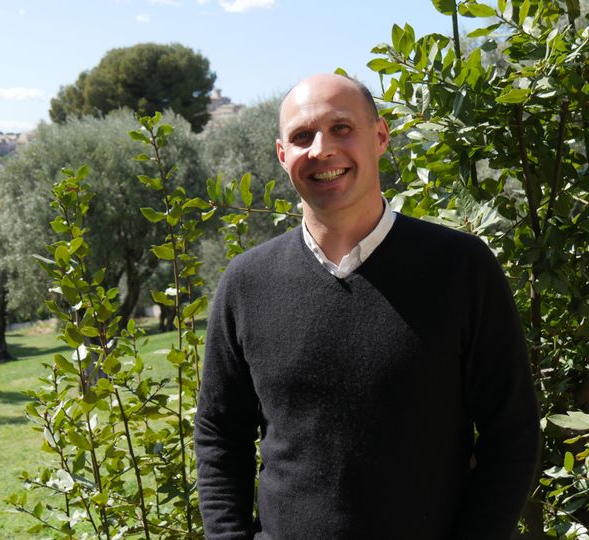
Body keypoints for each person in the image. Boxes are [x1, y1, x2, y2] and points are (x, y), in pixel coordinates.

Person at [194, 73, 541, 539]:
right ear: (283, 156)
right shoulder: (246, 283)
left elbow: (512, 434)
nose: (321, 150)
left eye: (341, 128)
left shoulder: (460, 268)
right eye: (302, 136)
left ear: (379, 137)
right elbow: (220, 437)